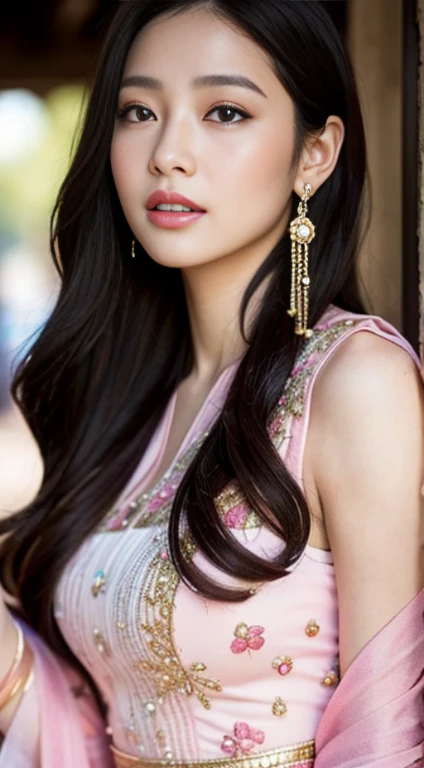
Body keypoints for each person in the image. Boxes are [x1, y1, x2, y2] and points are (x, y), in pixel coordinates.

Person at [0, 1, 423, 766]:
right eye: (138, 112)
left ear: (315, 154)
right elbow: (94, 727)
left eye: (224, 111)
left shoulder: (354, 382)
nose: (169, 152)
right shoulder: (123, 400)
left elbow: (385, 737)